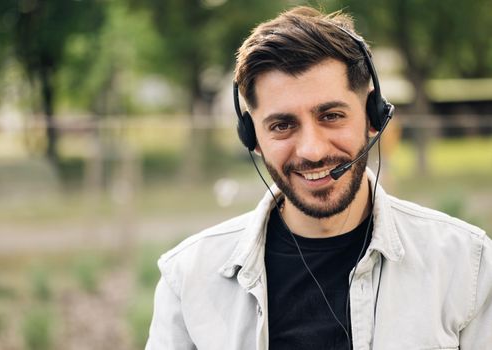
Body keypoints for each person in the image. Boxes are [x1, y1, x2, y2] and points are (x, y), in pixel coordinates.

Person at [145, 6, 492, 350]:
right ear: (253, 139)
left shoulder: (467, 266)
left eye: (331, 115)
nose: (311, 150)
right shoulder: (187, 278)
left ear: (374, 116)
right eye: (282, 126)